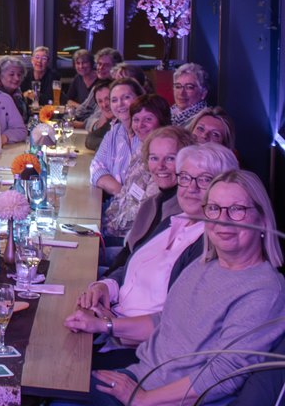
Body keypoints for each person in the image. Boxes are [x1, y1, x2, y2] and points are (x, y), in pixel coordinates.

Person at [25, 169, 285, 406]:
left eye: (237, 209)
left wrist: (144, 399)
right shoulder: (204, 265)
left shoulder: (264, 288)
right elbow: (167, 321)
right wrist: (105, 326)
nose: (223, 220)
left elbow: (224, 374)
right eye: (214, 208)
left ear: (262, 219)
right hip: (141, 376)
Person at [68, 142, 238, 369]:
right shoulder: (172, 221)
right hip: (108, 325)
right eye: (185, 177)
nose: (191, 188)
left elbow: (176, 325)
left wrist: (111, 324)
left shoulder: (211, 245)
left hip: (139, 353)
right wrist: (105, 287)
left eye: (205, 180)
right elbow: (130, 267)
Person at [110, 126, 193, 269]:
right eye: (154, 158)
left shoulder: (185, 210)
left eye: (170, 158)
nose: (160, 166)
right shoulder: (151, 203)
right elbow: (129, 251)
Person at [101, 94, 171, 242]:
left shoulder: (163, 162)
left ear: (162, 121)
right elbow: (124, 194)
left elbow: (144, 213)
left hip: (130, 240)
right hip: (114, 228)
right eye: (136, 120)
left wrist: (107, 229)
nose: (140, 125)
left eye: (148, 119)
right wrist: (105, 220)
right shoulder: (141, 150)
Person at [89, 77, 145, 197]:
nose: (120, 104)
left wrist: (123, 197)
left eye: (126, 97)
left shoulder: (148, 135)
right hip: (116, 204)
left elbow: (143, 192)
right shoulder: (114, 132)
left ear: (140, 99)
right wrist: (121, 192)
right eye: (114, 100)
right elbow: (95, 167)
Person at [83, 79, 115, 152]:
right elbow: (90, 140)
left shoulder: (126, 121)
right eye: (100, 101)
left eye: (107, 99)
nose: (104, 105)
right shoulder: (111, 122)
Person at [0, 55, 29, 122]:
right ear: (0, 76)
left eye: (19, 75)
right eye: (11, 74)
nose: (17, 78)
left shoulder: (18, 94)